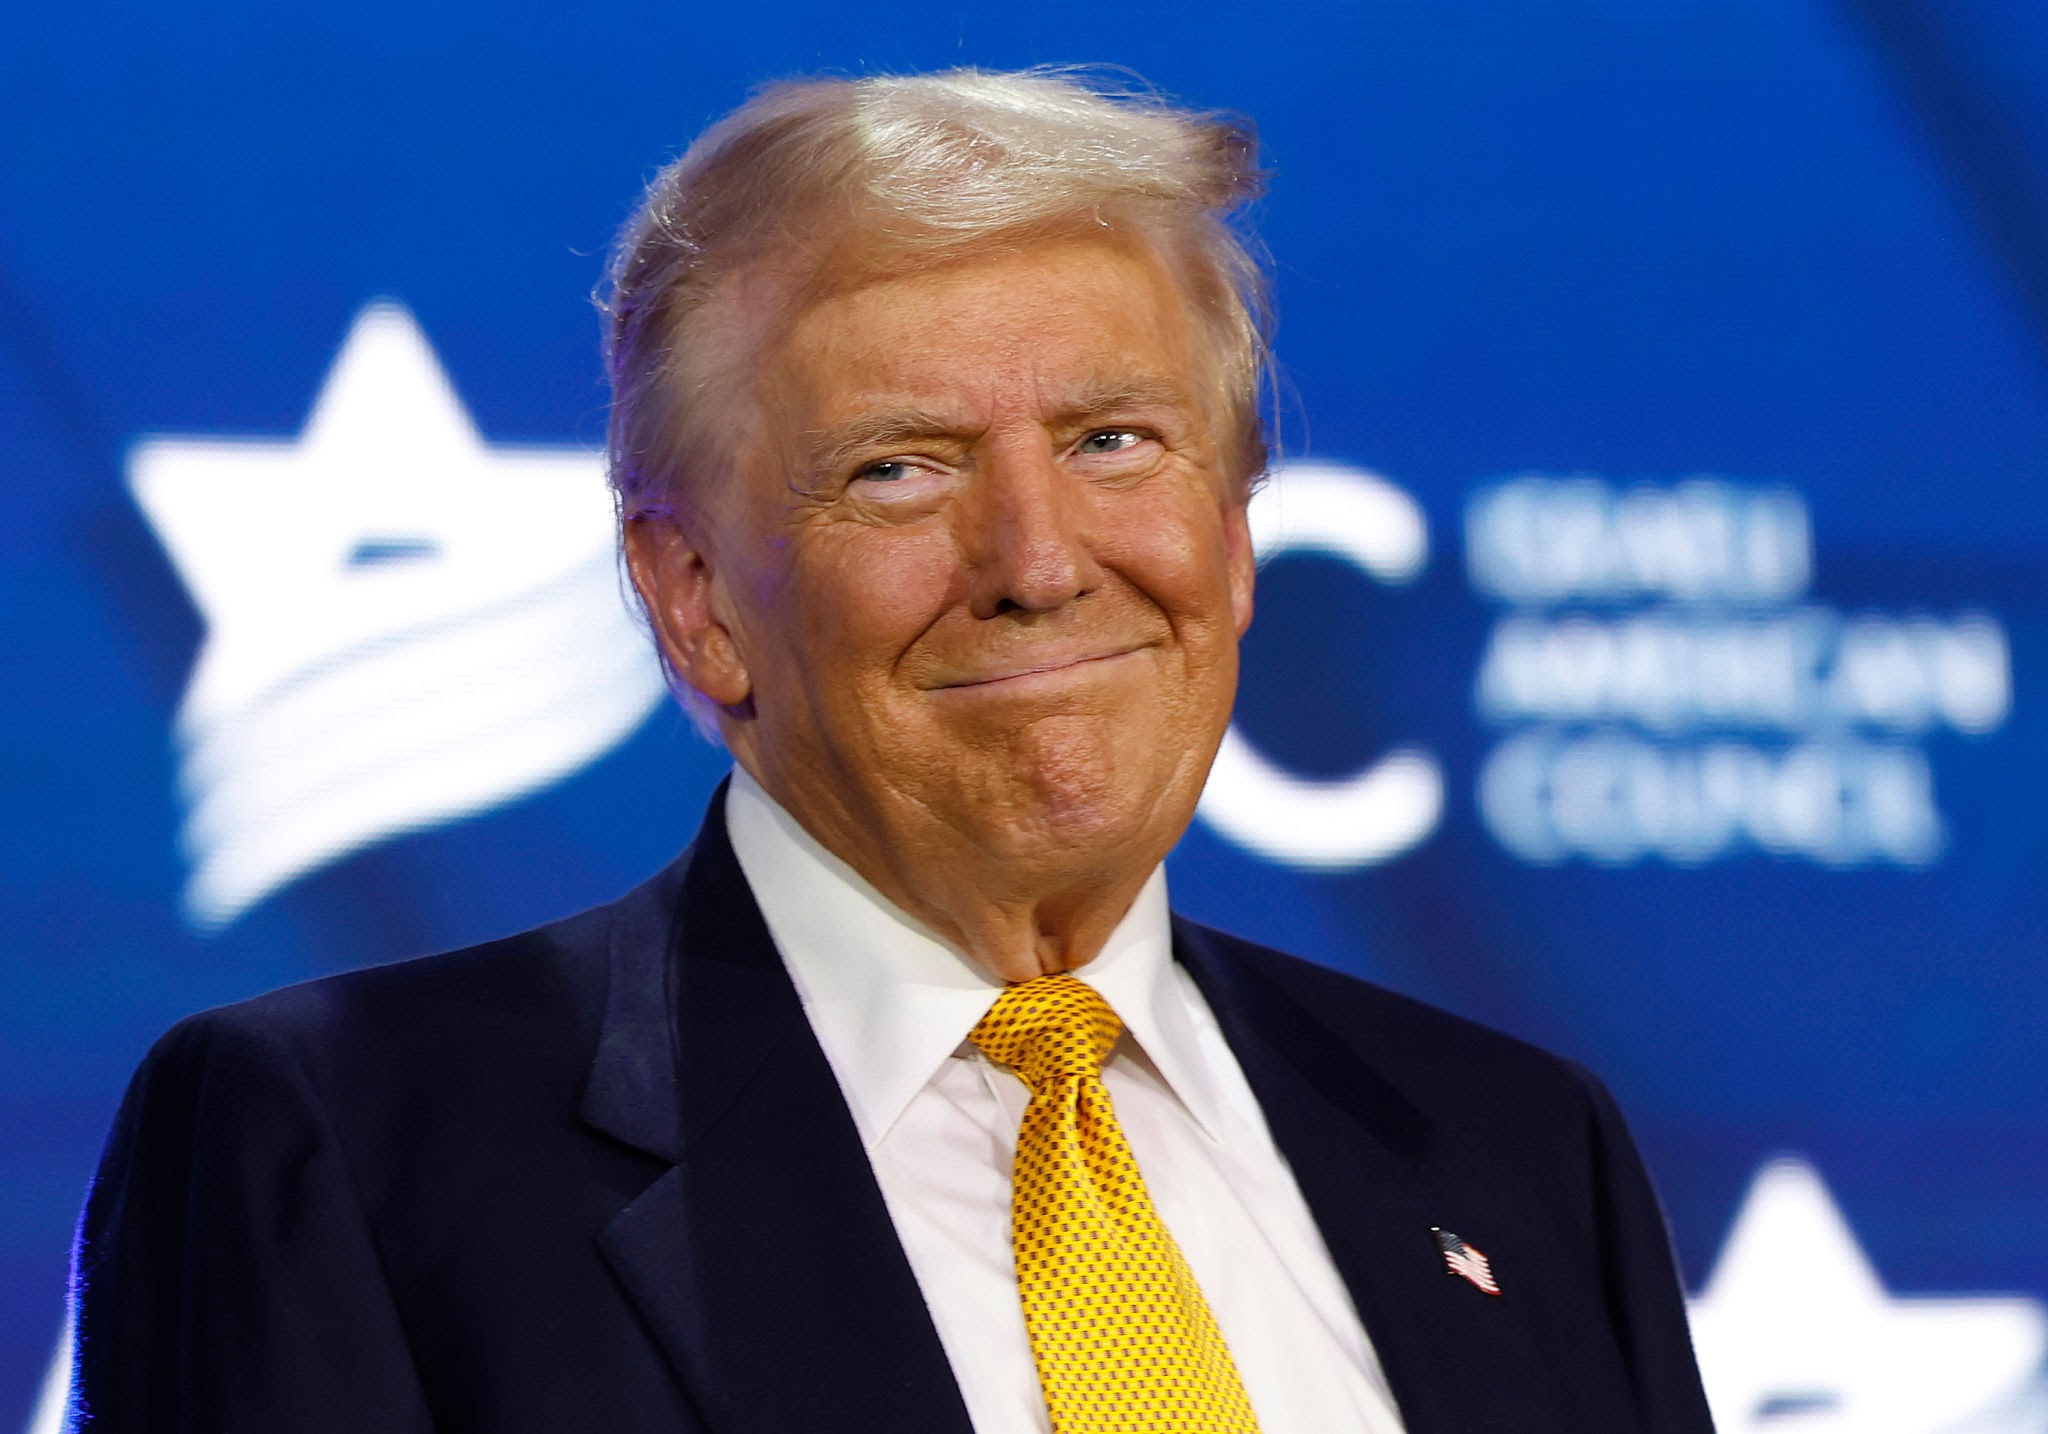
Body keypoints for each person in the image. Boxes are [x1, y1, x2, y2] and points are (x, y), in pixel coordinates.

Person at [70, 68, 1714, 1432]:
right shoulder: (345, 1142)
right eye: (899, 471)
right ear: (696, 597)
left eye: (1113, 440)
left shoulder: (1511, 1144)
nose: (1039, 559)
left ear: (1231, 538)